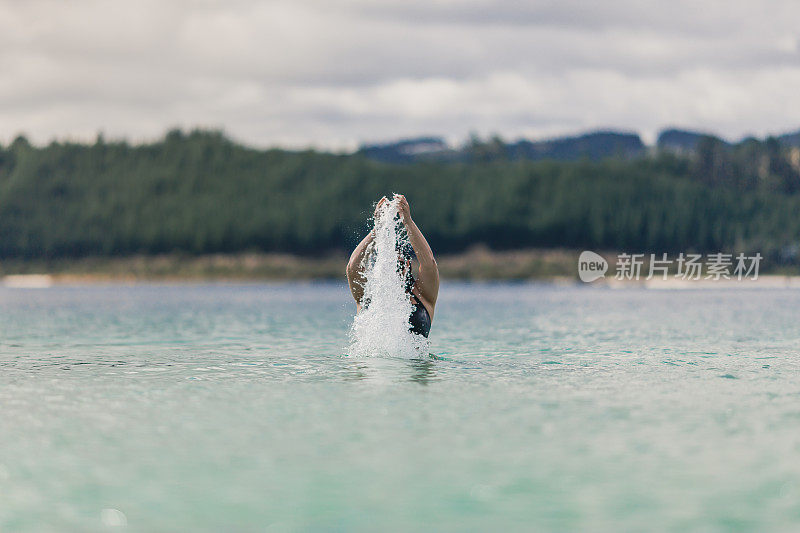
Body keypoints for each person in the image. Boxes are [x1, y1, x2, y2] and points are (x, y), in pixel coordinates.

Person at [346, 194, 439, 337]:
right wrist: (378, 229)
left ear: (407, 265)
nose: (392, 269)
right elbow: (353, 266)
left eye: (398, 264)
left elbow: (429, 263)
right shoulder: (368, 297)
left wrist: (407, 221)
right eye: (388, 264)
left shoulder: (422, 296)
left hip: (415, 359)